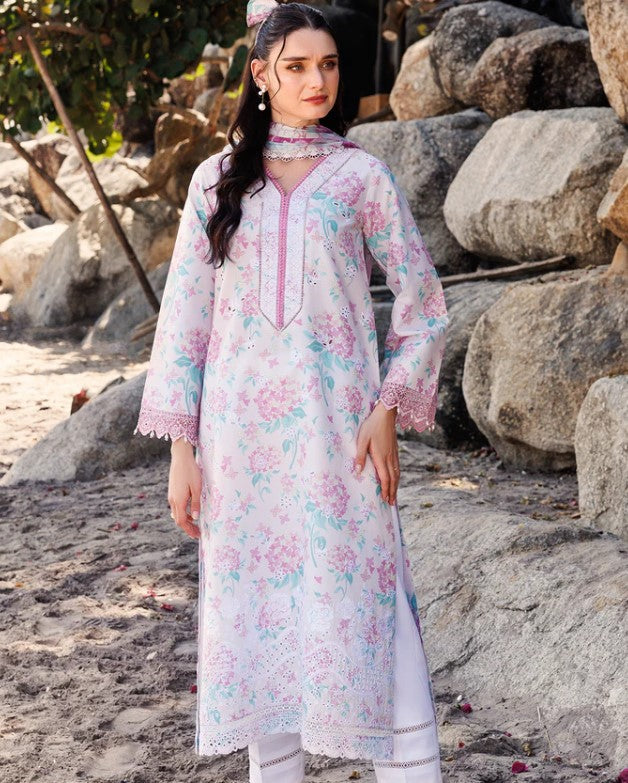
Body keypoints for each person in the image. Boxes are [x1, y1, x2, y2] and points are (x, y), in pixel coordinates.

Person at [134, 0, 449, 780]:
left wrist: (386, 409)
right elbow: (186, 321)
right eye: (298, 65)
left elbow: (423, 305)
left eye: (329, 65)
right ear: (261, 74)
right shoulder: (216, 181)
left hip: (340, 442)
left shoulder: (362, 176)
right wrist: (183, 453)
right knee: (258, 624)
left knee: (371, 609)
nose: (318, 81)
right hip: (240, 451)